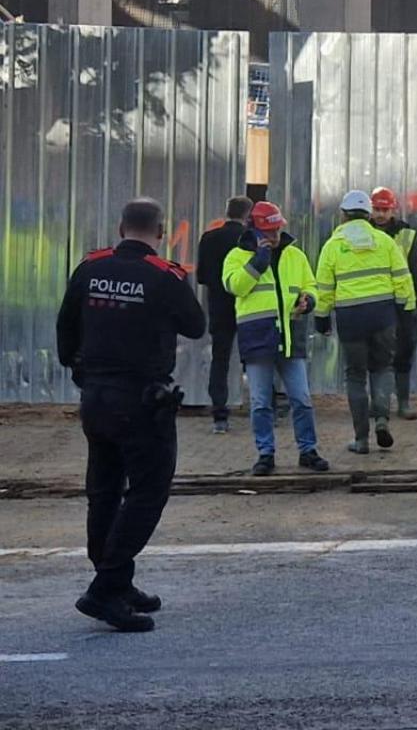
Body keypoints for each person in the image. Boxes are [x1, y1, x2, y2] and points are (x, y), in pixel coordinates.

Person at [55, 198, 207, 632]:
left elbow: (66, 325)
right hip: (141, 402)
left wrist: (79, 369)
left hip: (96, 396)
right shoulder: (164, 276)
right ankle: (105, 589)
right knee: (147, 491)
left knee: (103, 491)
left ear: (121, 228)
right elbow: (195, 325)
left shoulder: (89, 268)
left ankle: (117, 580)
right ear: (159, 233)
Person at [222, 202, 327, 476]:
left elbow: (310, 284)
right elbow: (235, 286)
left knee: (301, 398)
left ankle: (308, 450)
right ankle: (265, 454)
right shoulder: (236, 256)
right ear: (254, 229)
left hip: (291, 337)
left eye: (277, 229)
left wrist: (310, 300)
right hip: (257, 339)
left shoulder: (295, 255)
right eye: (268, 230)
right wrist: (258, 261)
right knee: (260, 402)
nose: (274, 235)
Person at [313, 190, 416, 454]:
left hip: (351, 318)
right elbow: (403, 278)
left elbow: (324, 287)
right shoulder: (384, 241)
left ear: (343, 215)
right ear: (369, 214)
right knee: (382, 368)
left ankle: (361, 440)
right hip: (383, 314)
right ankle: (381, 418)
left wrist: (321, 319)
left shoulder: (333, 245)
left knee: (355, 376)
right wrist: (406, 308)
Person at [370, 187, 417, 420]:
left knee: (404, 351)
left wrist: (406, 296)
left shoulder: (406, 234)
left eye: (385, 209)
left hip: (401, 304)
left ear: (392, 209)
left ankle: (403, 402)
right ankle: (379, 403)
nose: (381, 214)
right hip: (376, 301)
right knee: (375, 353)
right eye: (377, 209)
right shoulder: (364, 234)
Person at [195, 196, 250, 433]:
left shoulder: (209, 238)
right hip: (248, 305)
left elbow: (201, 277)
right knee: (257, 358)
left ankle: (220, 414)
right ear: (248, 215)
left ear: (227, 212)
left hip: (219, 307)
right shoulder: (250, 239)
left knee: (220, 360)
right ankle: (262, 407)